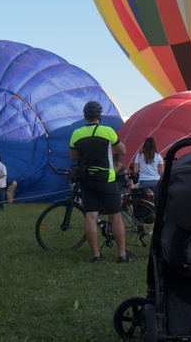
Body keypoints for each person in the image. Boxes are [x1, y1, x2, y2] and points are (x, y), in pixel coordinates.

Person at [70, 100, 130, 263]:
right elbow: (122, 150)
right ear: (99, 116)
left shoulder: (76, 133)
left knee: (90, 216)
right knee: (115, 215)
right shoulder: (107, 131)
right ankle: (122, 255)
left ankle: (96, 255)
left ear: (85, 116)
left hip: (87, 179)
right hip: (106, 179)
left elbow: (73, 156)